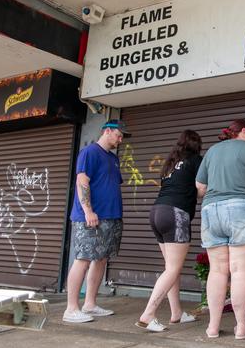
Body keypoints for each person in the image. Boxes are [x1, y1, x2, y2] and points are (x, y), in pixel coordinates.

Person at [195, 119, 245, 340]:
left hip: (211, 210)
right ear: (244, 131)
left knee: (217, 270)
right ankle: (240, 327)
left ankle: (212, 327)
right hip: (242, 208)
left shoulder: (212, 151)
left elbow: (200, 186)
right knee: (240, 270)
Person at [63, 119, 130, 323]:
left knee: (101, 259)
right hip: (92, 217)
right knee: (83, 258)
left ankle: (90, 304)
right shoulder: (89, 152)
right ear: (107, 131)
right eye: (118, 135)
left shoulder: (112, 158)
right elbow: (82, 181)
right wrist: (88, 211)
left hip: (110, 217)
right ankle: (71, 308)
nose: (120, 139)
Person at [135, 130, 203, 332]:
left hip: (157, 212)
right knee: (172, 268)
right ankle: (148, 315)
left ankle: (176, 313)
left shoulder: (171, 162)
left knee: (171, 267)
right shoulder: (196, 160)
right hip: (176, 214)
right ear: (196, 145)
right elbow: (201, 189)